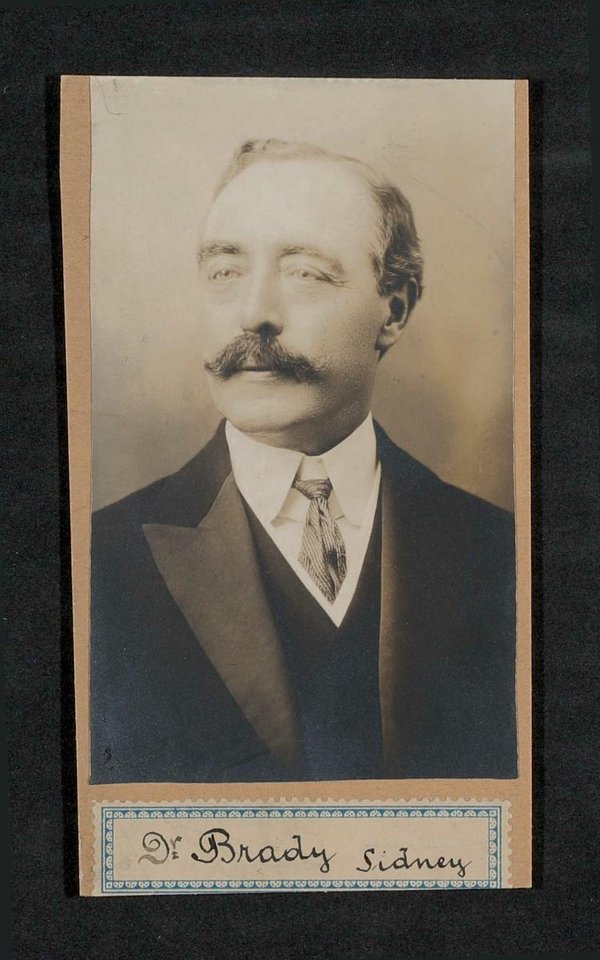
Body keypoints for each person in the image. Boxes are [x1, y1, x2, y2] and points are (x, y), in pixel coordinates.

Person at [91, 139, 517, 784]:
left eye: (307, 274)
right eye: (225, 271)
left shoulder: (504, 552)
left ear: (394, 309)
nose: (255, 313)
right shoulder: (94, 562)